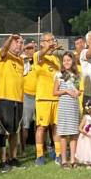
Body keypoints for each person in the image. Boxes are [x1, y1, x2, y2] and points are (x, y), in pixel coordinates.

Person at [0, 33, 25, 172]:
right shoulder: (3, 55)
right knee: (3, 130)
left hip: (18, 99)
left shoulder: (20, 60)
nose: (19, 44)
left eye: (21, 42)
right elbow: (3, 48)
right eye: (16, 41)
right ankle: (3, 161)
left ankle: (13, 158)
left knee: (14, 130)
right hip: (4, 98)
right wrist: (9, 38)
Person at [34, 32, 62, 165]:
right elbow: (41, 55)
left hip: (56, 98)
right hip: (43, 98)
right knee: (41, 127)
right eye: (48, 40)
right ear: (42, 43)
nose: (51, 42)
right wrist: (49, 47)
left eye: (52, 40)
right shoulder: (37, 56)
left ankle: (58, 153)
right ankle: (39, 155)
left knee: (56, 127)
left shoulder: (56, 59)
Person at [54, 52, 81, 168]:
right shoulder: (59, 75)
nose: (66, 62)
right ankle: (64, 160)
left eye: (68, 60)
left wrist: (77, 92)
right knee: (64, 134)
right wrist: (65, 91)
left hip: (74, 107)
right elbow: (54, 92)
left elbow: (77, 89)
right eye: (64, 60)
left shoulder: (76, 75)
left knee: (74, 134)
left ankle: (73, 159)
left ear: (73, 61)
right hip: (64, 107)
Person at [20, 40, 37, 156]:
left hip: (40, 95)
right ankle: (22, 148)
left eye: (33, 48)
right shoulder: (21, 61)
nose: (31, 50)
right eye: (29, 48)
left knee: (40, 125)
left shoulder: (39, 60)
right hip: (27, 95)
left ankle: (40, 147)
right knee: (25, 125)